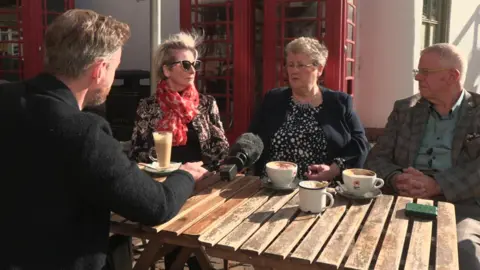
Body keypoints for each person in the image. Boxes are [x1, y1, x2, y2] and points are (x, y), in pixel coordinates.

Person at [0, 9, 208, 270]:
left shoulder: (6, 97)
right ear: (99, 70)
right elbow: (157, 205)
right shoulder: (84, 133)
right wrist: (186, 175)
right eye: (115, 67)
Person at [365, 43, 480, 269]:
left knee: (462, 255)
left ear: (452, 76)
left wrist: (438, 184)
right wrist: (397, 178)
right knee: (368, 247)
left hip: (461, 204)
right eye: (418, 72)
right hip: (401, 200)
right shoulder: (405, 109)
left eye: (425, 72)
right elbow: (375, 159)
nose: (418, 78)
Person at [249, 37, 369, 181]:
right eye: (290, 64)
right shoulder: (273, 99)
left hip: (320, 188)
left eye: (300, 65)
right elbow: (252, 137)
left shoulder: (339, 102)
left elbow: (361, 142)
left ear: (319, 69)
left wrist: (334, 169)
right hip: (273, 185)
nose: (293, 70)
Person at [129, 31, 229, 166]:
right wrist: (164, 161)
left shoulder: (207, 103)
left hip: (199, 177)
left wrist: (205, 166)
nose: (193, 71)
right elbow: (136, 153)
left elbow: (222, 149)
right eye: (186, 65)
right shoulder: (148, 106)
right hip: (162, 179)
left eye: (195, 64)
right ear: (167, 70)